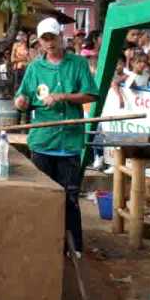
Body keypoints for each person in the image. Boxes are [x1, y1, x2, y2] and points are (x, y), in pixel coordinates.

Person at [15, 17, 99, 256]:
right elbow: (22, 99)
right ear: (40, 42)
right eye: (45, 39)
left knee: (70, 198)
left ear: (61, 37)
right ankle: (42, 244)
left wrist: (62, 97)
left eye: (53, 37)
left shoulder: (77, 64)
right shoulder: (34, 68)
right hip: (42, 141)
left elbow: (91, 95)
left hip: (69, 142)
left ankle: (74, 248)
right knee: (42, 197)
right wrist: (21, 103)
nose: (49, 43)